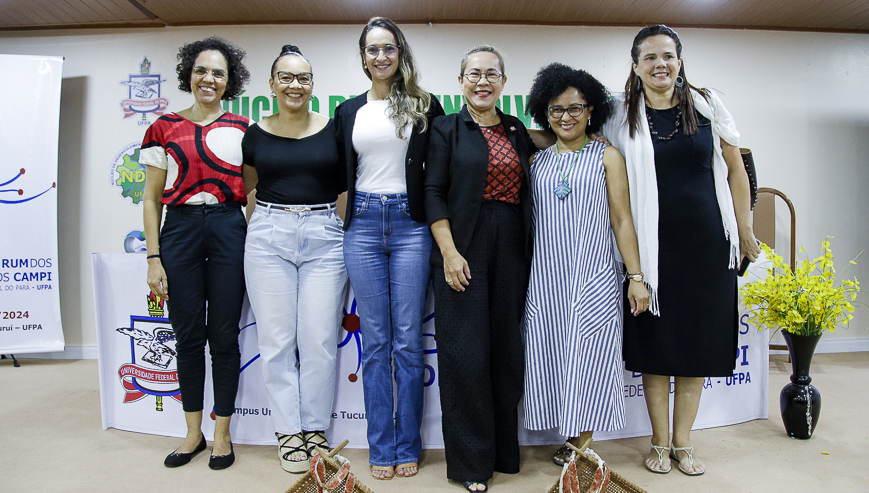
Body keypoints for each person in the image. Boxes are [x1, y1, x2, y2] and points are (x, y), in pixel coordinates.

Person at [601, 25, 761, 476]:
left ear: (680, 60)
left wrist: (744, 230)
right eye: (650, 58)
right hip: (652, 250)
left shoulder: (707, 104)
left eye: (668, 56)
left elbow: (736, 169)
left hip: (707, 246)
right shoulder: (619, 114)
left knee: (695, 346)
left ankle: (684, 444)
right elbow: (572, 131)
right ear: (635, 66)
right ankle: (658, 443)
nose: (660, 65)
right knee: (656, 345)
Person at [522, 63, 650, 466]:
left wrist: (636, 277)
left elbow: (621, 218)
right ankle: (562, 429)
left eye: (575, 108)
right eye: (556, 110)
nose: (566, 117)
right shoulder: (537, 162)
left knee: (591, 355)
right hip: (545, 277)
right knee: (552, 353)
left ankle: (582, 440)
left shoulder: (606, 156)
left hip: (592, 274)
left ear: (591, 109)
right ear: (545, 113)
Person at [334, 17, 444, 481]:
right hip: (361, 225)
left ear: (401, 53)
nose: (381, 57)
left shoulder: (424, 104)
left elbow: (441, 167)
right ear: (363, 57)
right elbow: (340, 168)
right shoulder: (348, 111)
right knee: (375, 343)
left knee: (406, 341)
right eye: (372, 49)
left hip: (410, 224)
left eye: (388, 48)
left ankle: (407, 445)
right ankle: (380, 447)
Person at [425, 45, 537, 493]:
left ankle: (504, 453)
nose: (483, 81)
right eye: (474, 74)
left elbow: (548, 145)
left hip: (511, 242)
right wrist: (450, 253)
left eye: (492, 73)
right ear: (460, 82)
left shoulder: (516, 129)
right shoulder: (445, 129)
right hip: (462, 244)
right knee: (465, 356)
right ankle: (472, 464)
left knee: (506, 351)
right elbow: (433, 191)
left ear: (504, 83)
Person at [141, 37, 251, 470]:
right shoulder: (163, 127)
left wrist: (246, 232)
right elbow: (150, 198)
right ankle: (193, 433)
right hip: (180, 230)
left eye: (219, 72)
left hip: (228, 227)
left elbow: (253, 191)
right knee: (188, 336)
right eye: (202, 70)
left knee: (224, 336)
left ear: (230, 81)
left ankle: (222, 433)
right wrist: (153, 258)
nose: (209, 78)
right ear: (189, 73)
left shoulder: (243, 128)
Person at [241, 45, 347, 474]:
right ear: (271, 84)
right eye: (285, 77)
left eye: (303, 78)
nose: (294, 85)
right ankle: (288, 431)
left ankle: (315, 428)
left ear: (312, 85)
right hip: (268, 236)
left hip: (325, 236)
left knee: (319, 339)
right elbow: (250, 187)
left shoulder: (334, 128)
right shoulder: (254, 134)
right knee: (277, 342)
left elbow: (345, 187)